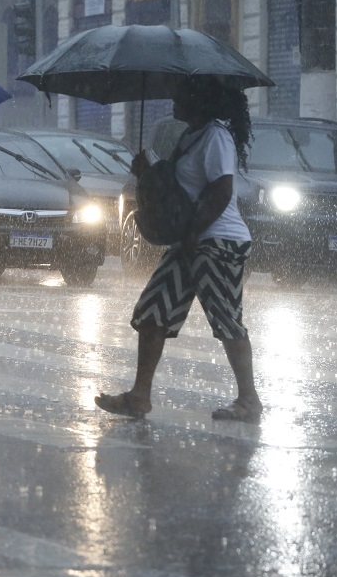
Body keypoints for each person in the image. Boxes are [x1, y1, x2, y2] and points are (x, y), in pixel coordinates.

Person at [95, 81, 261, 423]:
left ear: (199, 99)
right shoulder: (191, 136)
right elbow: (178, 188)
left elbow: (221, 190)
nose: (173, 100)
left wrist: (194, 234)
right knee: (154, 311)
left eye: (180, 94)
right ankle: (139, 396)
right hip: (190, 240)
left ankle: (249, 400)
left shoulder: (216, 136)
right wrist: (147, 172)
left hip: (217, 242)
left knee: (226, 317)